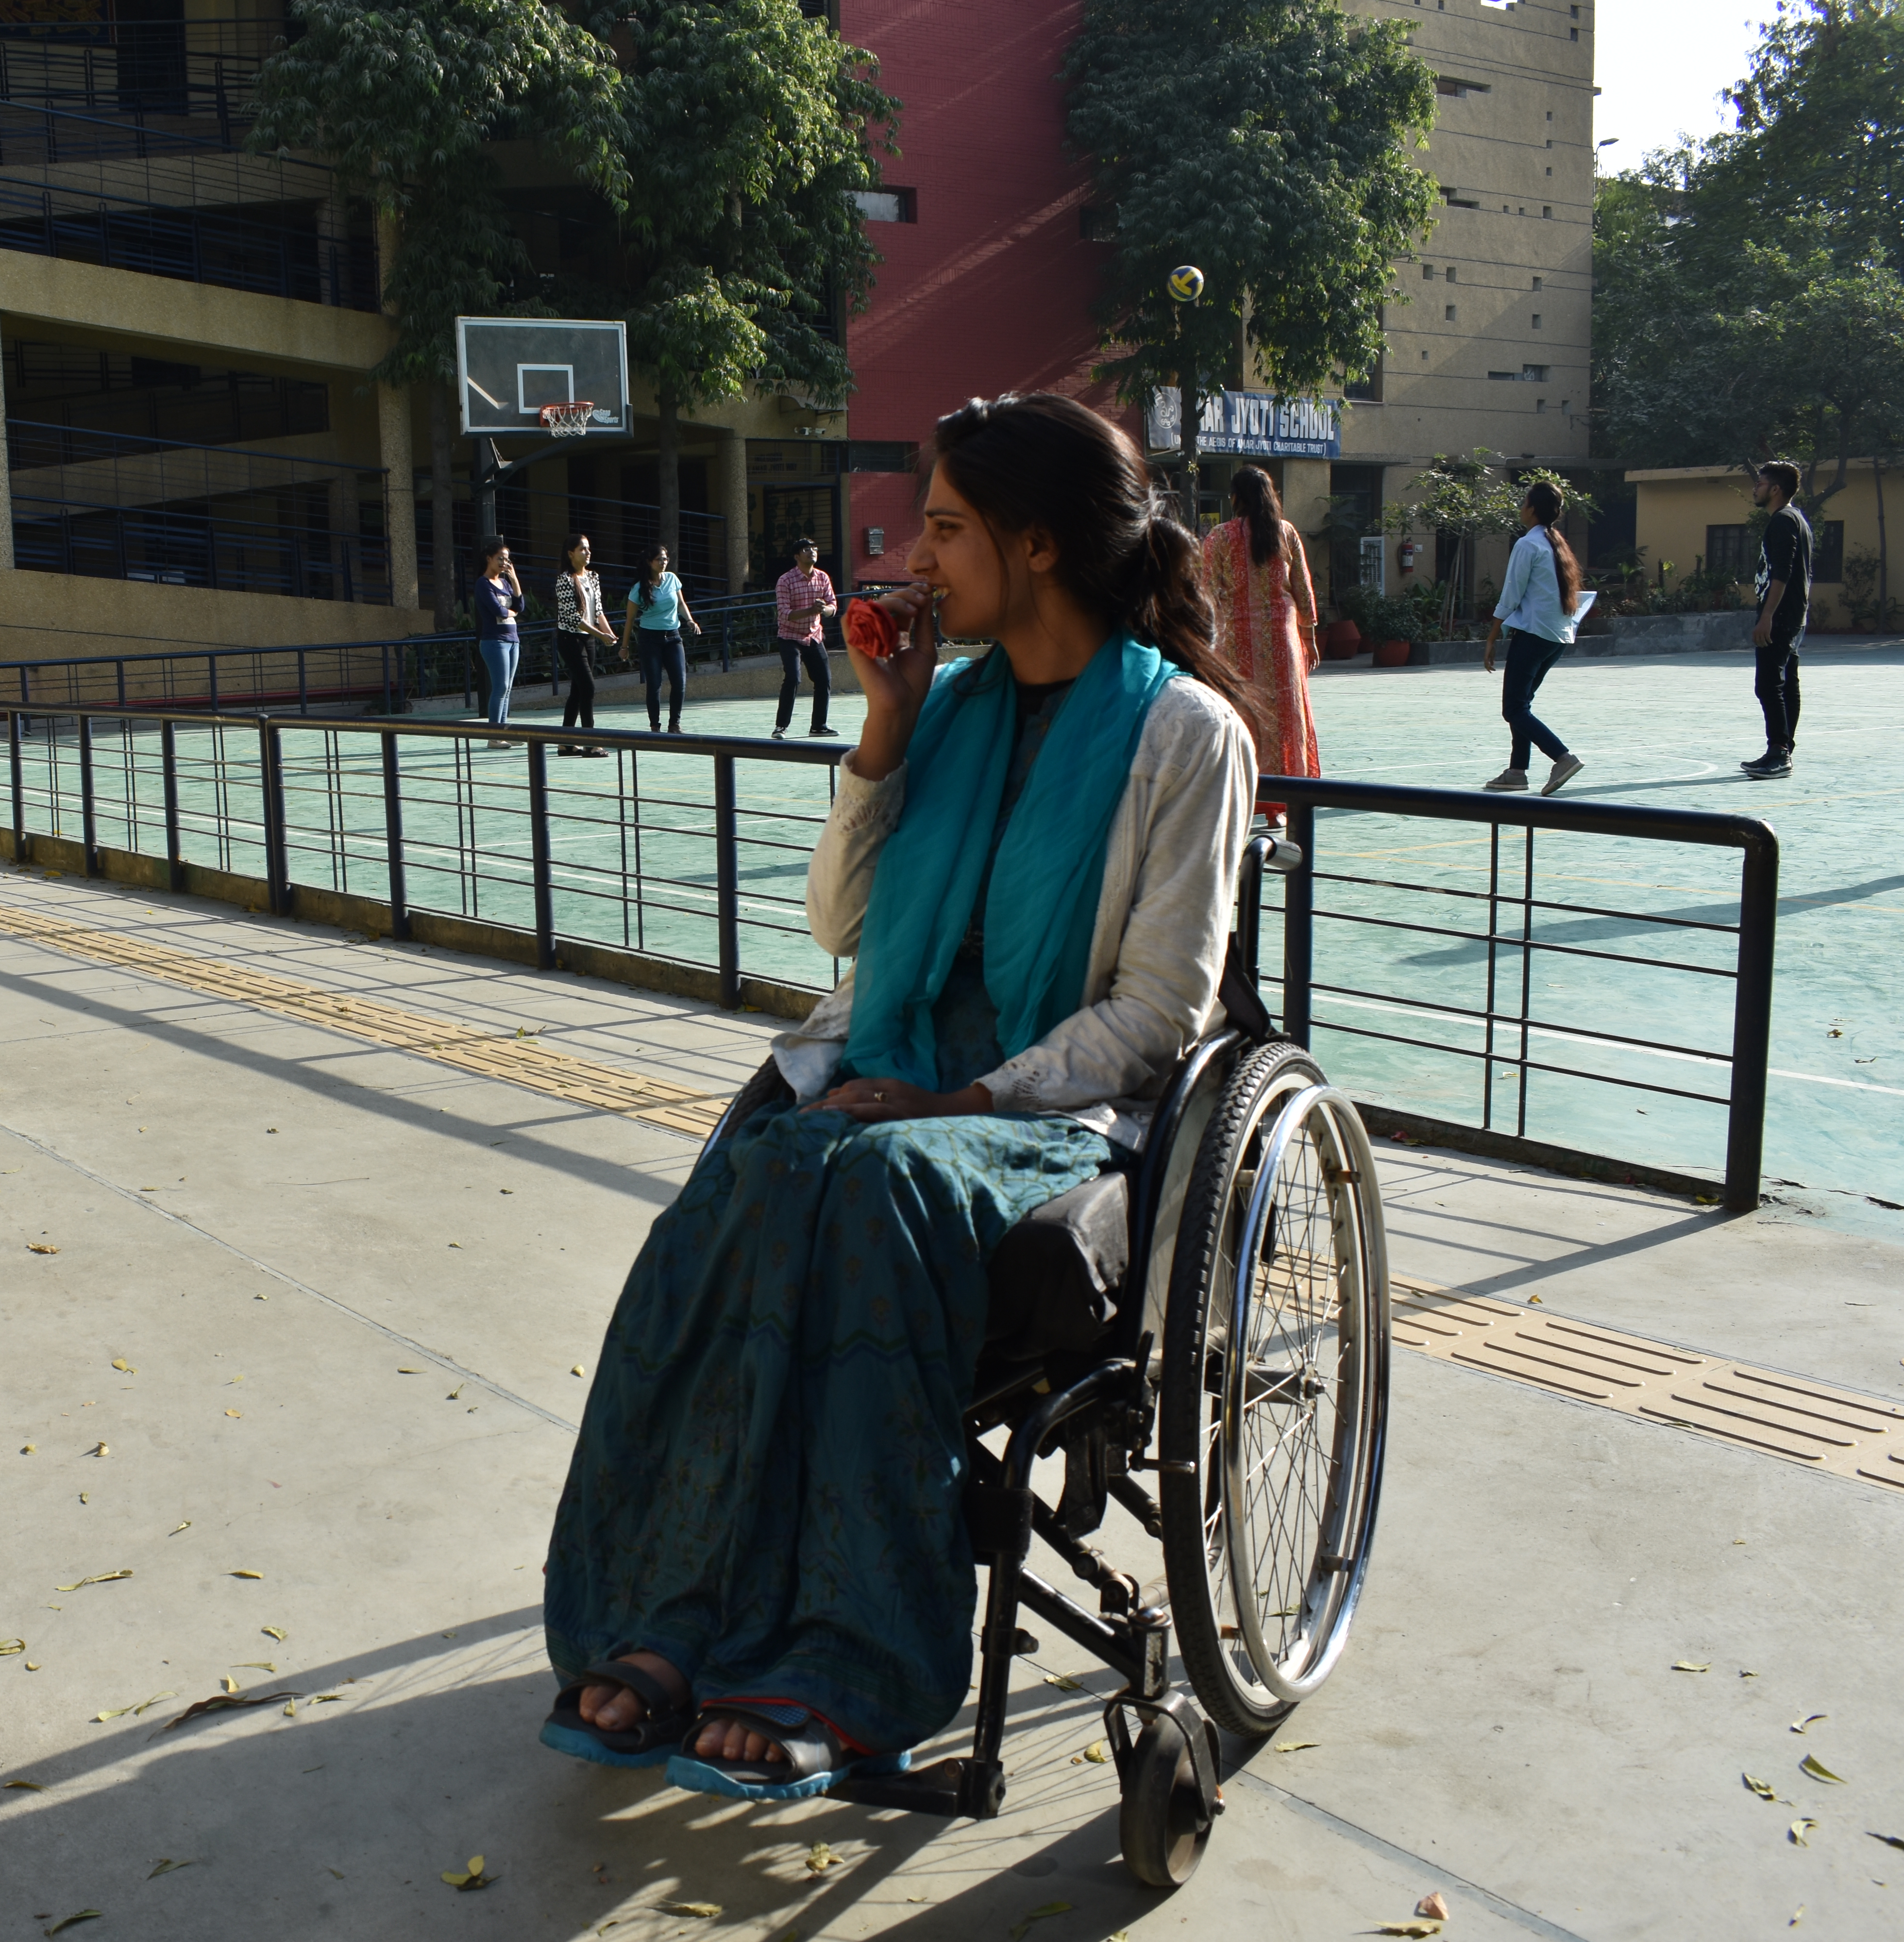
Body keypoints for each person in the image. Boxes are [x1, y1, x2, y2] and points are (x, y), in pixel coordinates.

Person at [541, 392, 1257, 1802]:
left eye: (941, 529)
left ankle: (844, 1655)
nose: (914, 561)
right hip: (888, 1067)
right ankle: (678, 1616)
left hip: (1051, 1105)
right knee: (756, 1175)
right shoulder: (942, 710)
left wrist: (955, 1098)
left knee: (865, 1176)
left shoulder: (1182, 737)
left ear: (1033, 543)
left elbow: (1157, 1013)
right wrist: (881, 728)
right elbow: (838, 928)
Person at [1201, 466, 1320, 824]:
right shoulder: (1285, 534)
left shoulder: (1220, 537)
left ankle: (1241, 801)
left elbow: (1209, 591)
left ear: (1236, 497)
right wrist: (1309, 637)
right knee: (1286, 722)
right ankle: (1281, 805)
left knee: (1243, 719)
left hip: (1235, 643)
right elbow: (1302, 589)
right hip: (1284, 643)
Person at [1480, 479, 1593, 795]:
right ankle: (1517, 771)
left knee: (1514, 709)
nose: (1521, 508)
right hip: (1556, 637)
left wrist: (1492, 637)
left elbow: (1511, 595)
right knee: (1522, 704)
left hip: (1534, 635)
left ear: (1532, 509)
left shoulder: (1528, 545)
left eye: (1524, 503)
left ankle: (1562, 757)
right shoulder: (1555, 543)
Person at [1742, 460, 1812, 778]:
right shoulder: (1795, 519)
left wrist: (1767, 616)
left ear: (1775, 489)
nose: (1755, 488)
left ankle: (1780, 752)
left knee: (1768, 685)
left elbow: (1782, 574)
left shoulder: (1783, 521)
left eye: (1759, 483)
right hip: (1793, 614)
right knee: (1786, 685)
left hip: (1781, 616)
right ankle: (1781, 749)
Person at [623, 546, 703, 733]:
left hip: (673, 637)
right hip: (650, 639)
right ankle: (655, 726)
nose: (664, 562)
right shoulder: (638, 589)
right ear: (650, 562)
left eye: (666, 559)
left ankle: (674, 725)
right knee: (654, 684)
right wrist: (624, 646)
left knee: (680, 682)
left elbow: (681, 604)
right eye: (659, 559)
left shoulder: (673, 579)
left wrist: (690, 620)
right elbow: (630, 619)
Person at [554, 534, 617, 757]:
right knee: (588, 688)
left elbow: (598, 610)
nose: (588, 553)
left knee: (578, 690)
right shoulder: (565, 579)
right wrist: (600, 635)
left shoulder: (593, 577)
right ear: (571, 553)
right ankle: (591, 743)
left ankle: (565, 743)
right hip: (570, 639)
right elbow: (573, 617)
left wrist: (608, 633)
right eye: (582, 549)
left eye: (588, 548)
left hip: (588, 638)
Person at [771, 537, 840, 738]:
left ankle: (819, 726)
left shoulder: (823, 577)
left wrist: (824, 610)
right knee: (793, 677)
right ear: (796, 556)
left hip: (814, 636)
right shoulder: (786, 580)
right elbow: (785, 613)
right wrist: (811, 610)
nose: (813, 552)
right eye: (807, 550)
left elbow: (833, 606)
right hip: (789, 637)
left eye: (815, 549)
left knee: (824, 679)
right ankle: (781, 727)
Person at [473, 536, 525, 737]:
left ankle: (503, 732)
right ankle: (494, 735)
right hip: (495, 642)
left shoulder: (505, 582)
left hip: (513, 641)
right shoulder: (483, 584)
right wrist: (511, 612)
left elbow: (520, 606)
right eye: (500, 559)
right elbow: (500, 611)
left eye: (507, 560)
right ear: (489, 559)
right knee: (500, 687)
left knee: (508, 688)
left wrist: (514, 579)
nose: (504, 563)